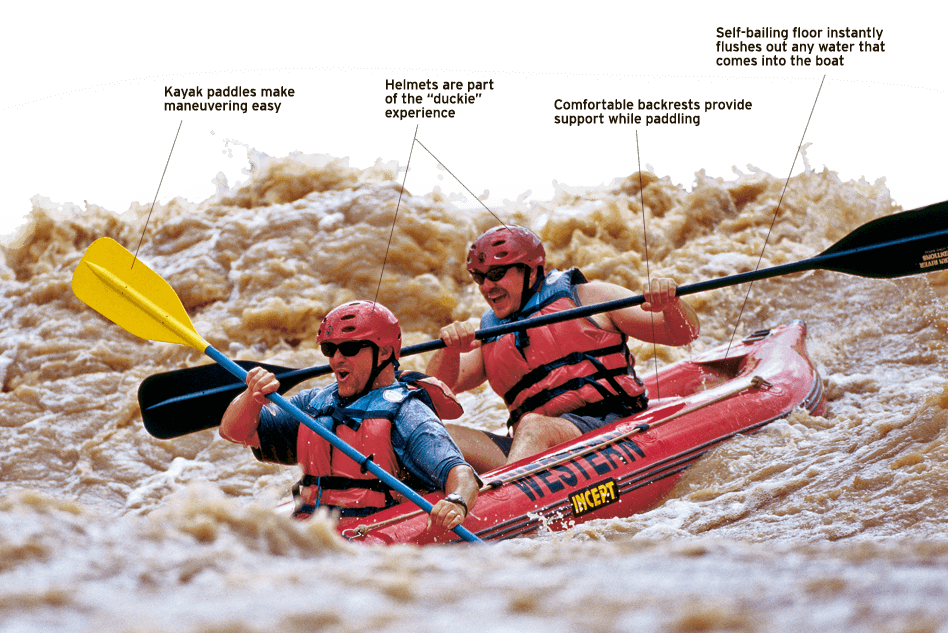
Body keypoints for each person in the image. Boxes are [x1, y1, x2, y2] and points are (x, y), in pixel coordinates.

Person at [426, 225, 700, 473]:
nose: (487, 286)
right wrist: (449, 349)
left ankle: (503, 503)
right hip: (535, 444)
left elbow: (681, 335)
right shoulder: (490, 330)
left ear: (531, 270)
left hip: (608, 425)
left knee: (533, 426)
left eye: (496, 274)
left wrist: (671, 304)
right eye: (479, 277)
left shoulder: (588, 296)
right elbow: (436, 392)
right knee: (438, 436)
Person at [220, 300, 480, 532]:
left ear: (386, 352)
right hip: (314, 530)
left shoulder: (406, 411)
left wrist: (456, 503)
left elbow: (459, 473)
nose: (337, 359)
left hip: (373, 532)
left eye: (350, 348)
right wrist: (252, 397)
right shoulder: (314, 403)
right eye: (329, 350)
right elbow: (234, 432)